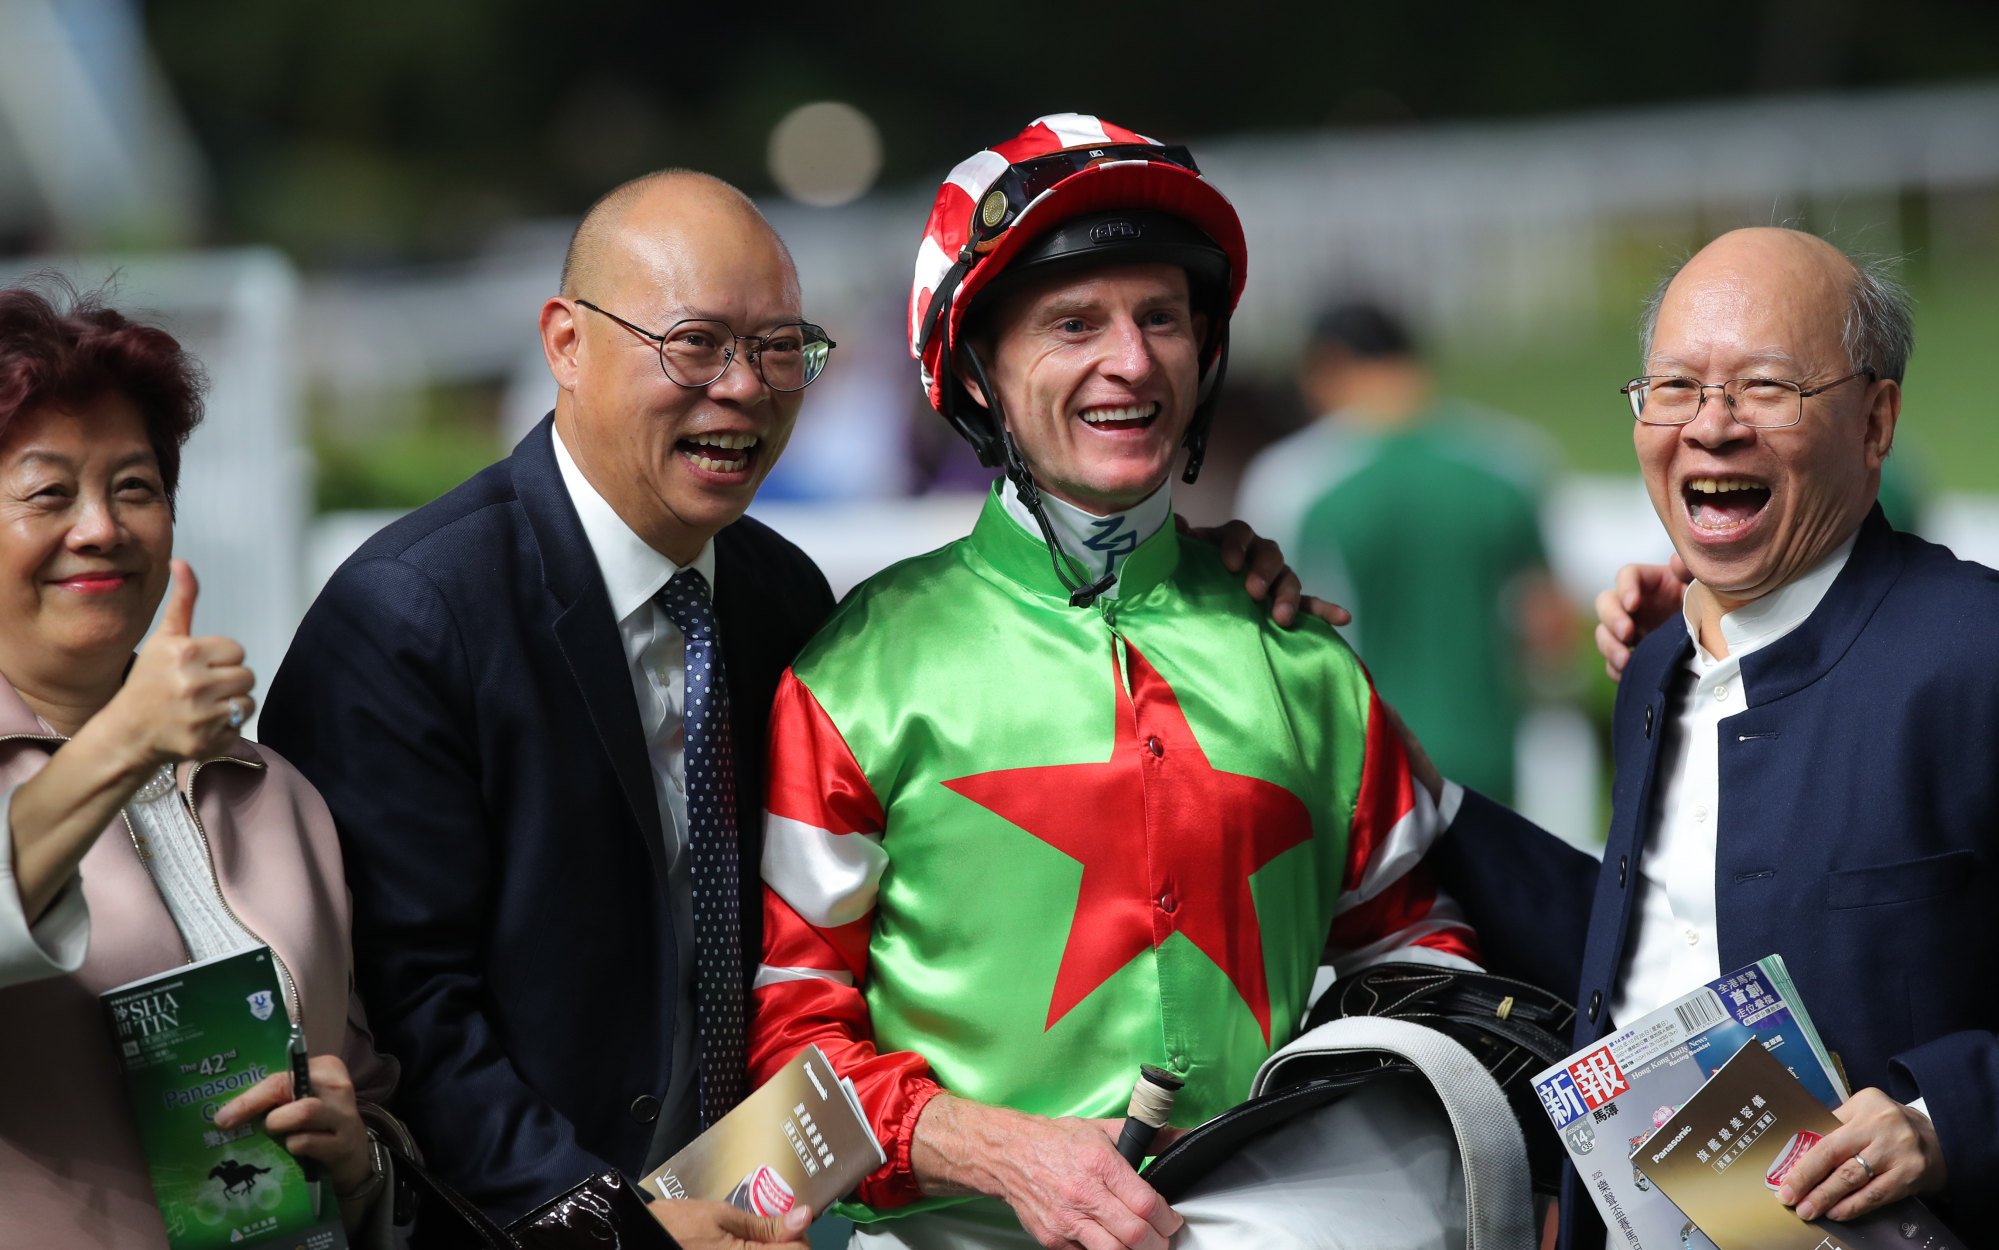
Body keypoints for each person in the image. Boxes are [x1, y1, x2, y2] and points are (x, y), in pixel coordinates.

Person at [260, 168, 1320, 1242]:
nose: (744, 387)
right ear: (565, 343)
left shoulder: (778, 592)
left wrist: (1197, 583)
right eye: (696, 344)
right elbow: (410, 1017)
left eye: (779, 349)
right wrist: (620, 1227)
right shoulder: (410, 617)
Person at [747, 114, 1563, 1250]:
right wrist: (992, 1147)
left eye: (1161, 319)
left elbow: (1422, 960)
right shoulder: (858, 671)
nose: (1129, 361)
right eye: (1073, 322)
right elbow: (785, 1052)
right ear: (976, 373)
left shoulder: (1307, 661)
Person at [1484, 227, 1994, 1247]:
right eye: (1673, 387)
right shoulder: (1652, 661)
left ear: (1875, 418)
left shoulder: (1975, 651)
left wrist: (1943, 1119)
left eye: (1765, 388)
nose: (1710, 428)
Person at [0, 280, 402, 1248]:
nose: (100, 526)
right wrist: (125, 736)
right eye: (50, 492)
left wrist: (361, 1156)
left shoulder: (274, 792)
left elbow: (374, 1093)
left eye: (133, 487)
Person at [1237, 300, 1573, 803]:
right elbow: (1549, 632)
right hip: (1493, 765)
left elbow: (1266, 646)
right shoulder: (1511, 461)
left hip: (1364, 772)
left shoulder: (1292, 481)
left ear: (1325, 367)